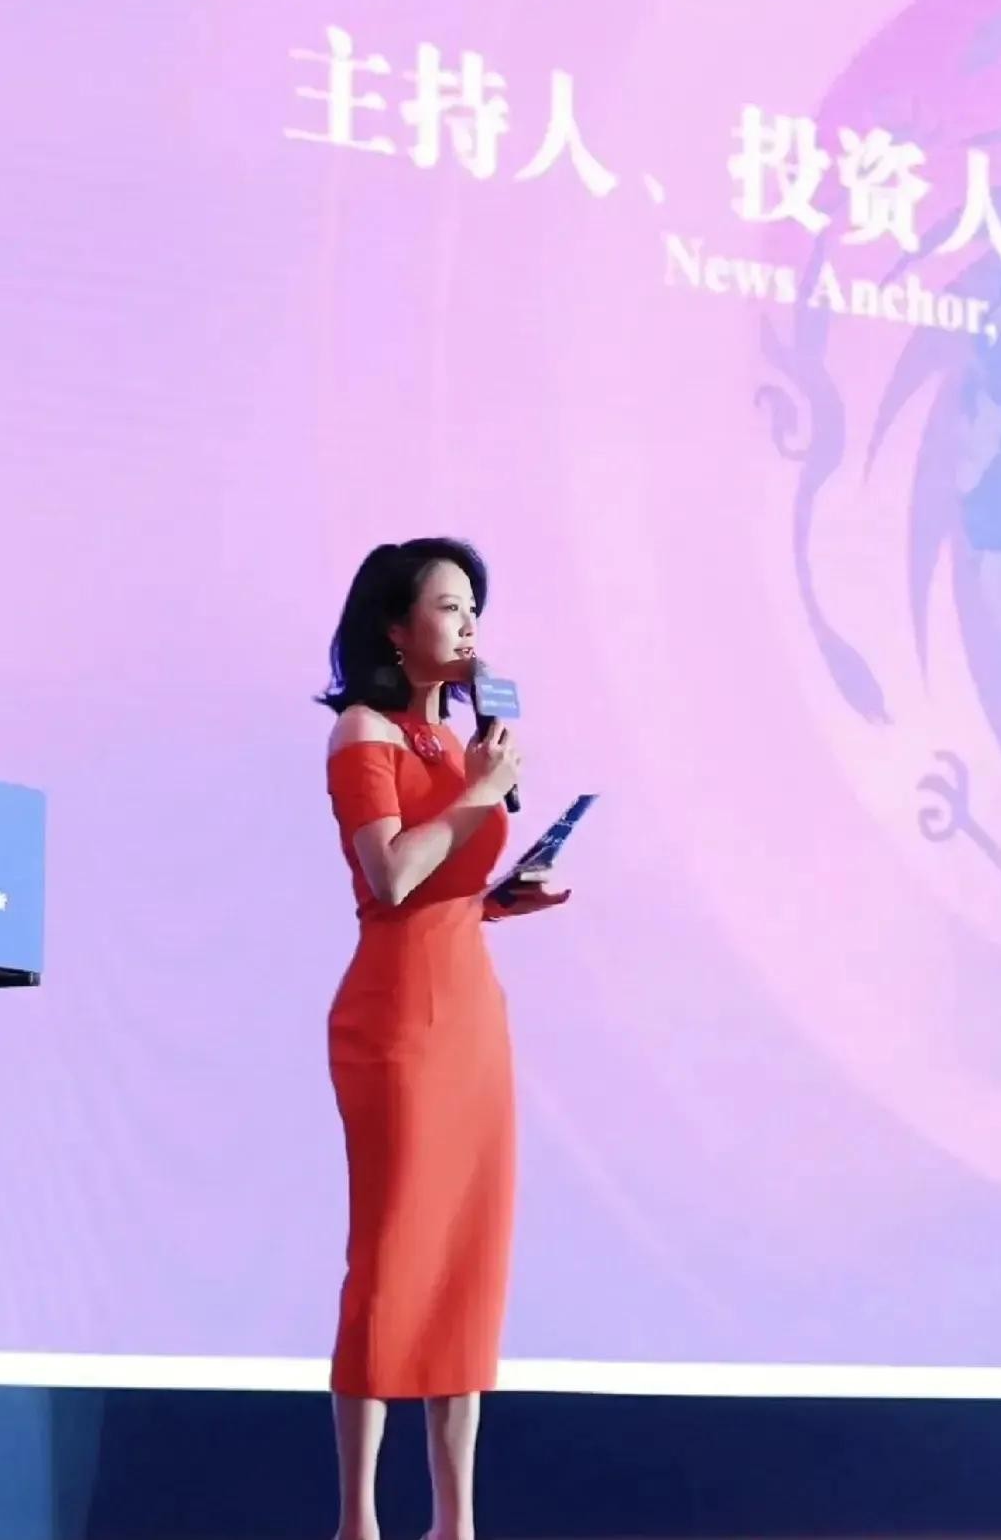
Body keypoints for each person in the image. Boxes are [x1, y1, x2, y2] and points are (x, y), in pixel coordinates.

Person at [315, 537, 568, 1540]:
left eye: (474, 609)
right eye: (451, 606)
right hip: (398, 1019)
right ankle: (359, 1519)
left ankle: (454, 1521)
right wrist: (476, 792)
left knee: (469, 1255)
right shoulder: (362, 732)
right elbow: (388, 876)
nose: (469, 626)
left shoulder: (461, 746)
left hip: (470, 1012)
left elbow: (445, 884)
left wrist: (501, 899)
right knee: (393, 1255)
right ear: (396, 626)